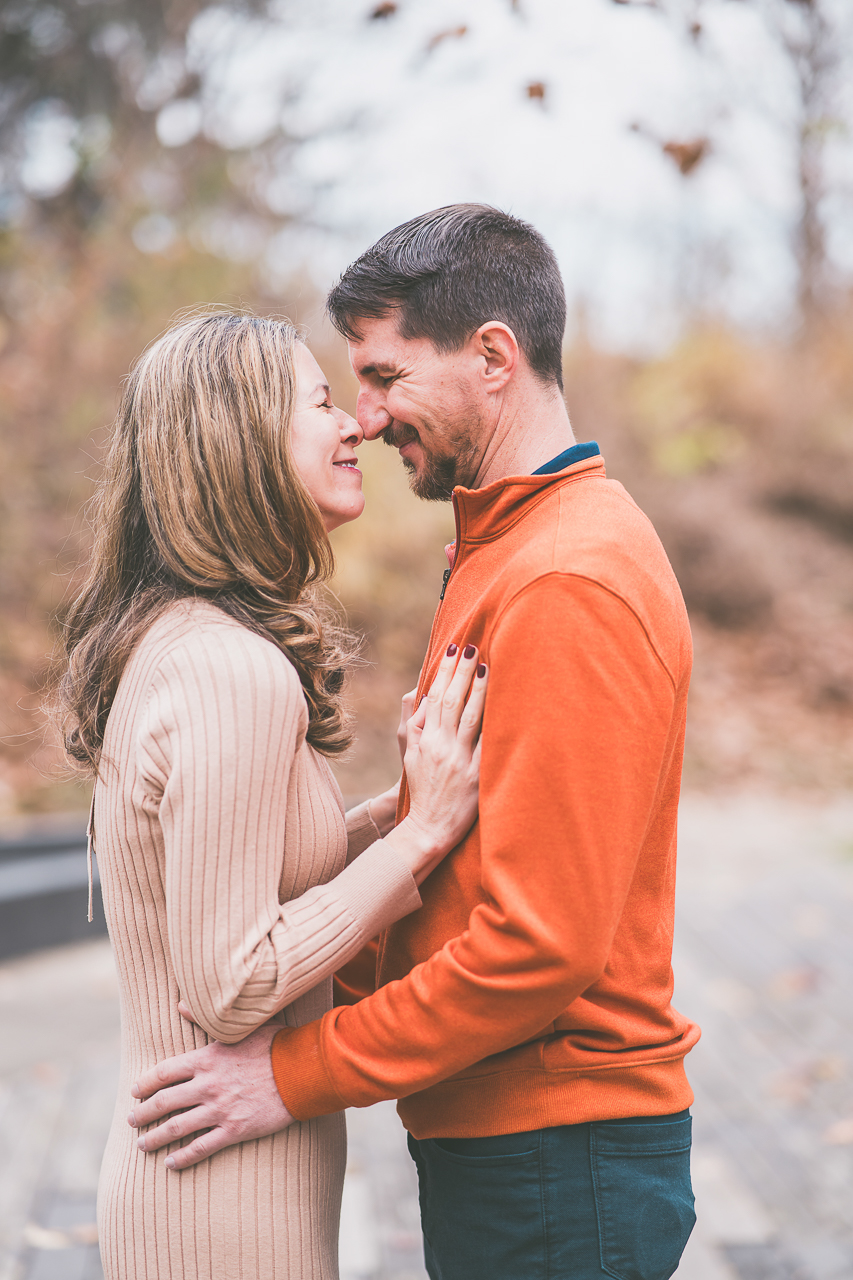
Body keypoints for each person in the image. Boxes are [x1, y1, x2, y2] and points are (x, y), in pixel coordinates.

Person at [130, 206, 701, 1280]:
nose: (369, 412)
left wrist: (292, 1070)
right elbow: (467, 872)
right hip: (512, 1143)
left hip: (559, 1155)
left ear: (493, 354)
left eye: (388, 374)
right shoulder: (504, 546)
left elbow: (538, 944)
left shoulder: (567, 576)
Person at [56, 311, 488, 1280]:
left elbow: (237, 869)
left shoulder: (184, 638)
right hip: (221, 1202)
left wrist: (393, 810)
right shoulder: (228, 670)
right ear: (238, 442)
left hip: (214, 1180)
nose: (358, 426)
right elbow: (234, 978)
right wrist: (416, 840)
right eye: (322, 402)